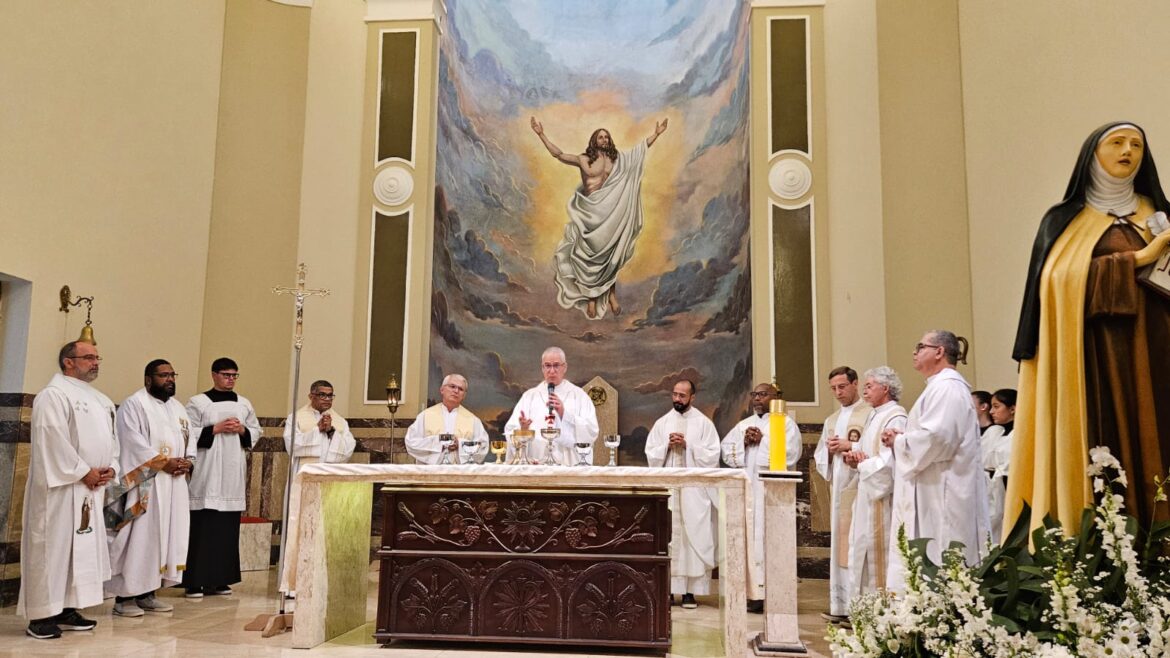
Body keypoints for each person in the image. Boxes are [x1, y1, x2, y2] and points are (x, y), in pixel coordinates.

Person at [1008, 122, 1170, 534]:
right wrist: (1137, 258)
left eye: (1136, 144)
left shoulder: (1158, 214)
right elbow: (1057, 282)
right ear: (1092, 155)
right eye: (1116, 143)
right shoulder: (1066, 220)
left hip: (1156, 350)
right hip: (1094, 358)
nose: (1128, 150)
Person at [18, 341, 118, 639]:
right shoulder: (54, 395)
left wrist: (111, 466)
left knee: (80, 551)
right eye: (88, 357)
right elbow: (52, 439)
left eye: (96, 357)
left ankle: (67, 607)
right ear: (68, 362)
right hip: (60, 490)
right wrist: (82, 471)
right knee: (53, 549)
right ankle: (40, 615)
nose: (95, 362)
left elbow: (111, 439)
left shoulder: (100, 399)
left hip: (90, 489)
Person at [530, 116, 668, 319]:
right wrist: (541, 134)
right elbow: (558, 154)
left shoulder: (618, 160)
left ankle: (611, 296)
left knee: (611, 255)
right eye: (600, 137)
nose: (604, 140)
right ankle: (592, 300)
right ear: (594, 140)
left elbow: (639, 151)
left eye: (606, 137)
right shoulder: (583, 159)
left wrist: (656, 134)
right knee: (589, 256)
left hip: (611, 213)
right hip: (590, 213)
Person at [883, 331, 989, 593]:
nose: (914, 352)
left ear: (940, 351)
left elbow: (939, 439)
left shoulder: (948, 388)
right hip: (932, 486)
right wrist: (904, 438)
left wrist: (899, 441)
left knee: (940, 555)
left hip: (943, 492)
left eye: (920, 347)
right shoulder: (939, 387)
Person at [105, 359, 192, 617]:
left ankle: (148, 592)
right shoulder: (134, 404)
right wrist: (162, 463)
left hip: (174, 485)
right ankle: (125, 596)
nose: (170, 380)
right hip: (146, 484)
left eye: (172, 375)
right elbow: (131, 442)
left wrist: (187, 462)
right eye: (164, 375)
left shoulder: (178, 408)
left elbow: (190, 439)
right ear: (148, 379)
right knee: (140, 538)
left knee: (164, 537)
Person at [720, 382, 801, 613]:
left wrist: (763, 440)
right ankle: (752, 593)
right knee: (749, 540)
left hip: (772, 495)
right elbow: (726, 451)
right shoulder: (744, 425)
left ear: (776, 396)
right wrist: (743, 442)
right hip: (749, 492)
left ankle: (773, 593)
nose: (757, 399)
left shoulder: (786, 424)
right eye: (754, 394)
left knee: (770, 539)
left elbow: (792, 452)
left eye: (763, 394)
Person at [183, 357, 260, 599]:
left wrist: (242, 430)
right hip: (207, 471)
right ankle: (194, 582)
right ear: (214, 375)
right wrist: (214, 429)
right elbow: (185, 432)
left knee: (225, 530)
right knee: (202, 527)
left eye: (234, 375)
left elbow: (256, 431)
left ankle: (219, 580)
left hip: (231, 473)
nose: (230, 379)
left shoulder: (244, 403)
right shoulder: (198, 402)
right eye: (226, 375)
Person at [645, 380, 721, 609]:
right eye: (675, 394)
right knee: (669, 538)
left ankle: (690, 592)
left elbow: (713, 455)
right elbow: (651, 453)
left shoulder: (704, 424)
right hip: (670, 487)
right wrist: (666, 447)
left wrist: (688, 445)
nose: (677, 399)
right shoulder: (663, 423)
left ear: (692, 397)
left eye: (682, 395)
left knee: (691, 537)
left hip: (693, 491)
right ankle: (668, 590)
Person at [279, 379, 356, 593]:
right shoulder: (296, 418)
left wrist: (331, 432)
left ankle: (324, 581)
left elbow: (348, 449)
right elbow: (291, 446)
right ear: (311, 396)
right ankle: (295, 584)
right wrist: (317, 430)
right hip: (304, 481)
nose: (327, 399)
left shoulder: (339, 421)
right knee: (301, 528)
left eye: (330, 395)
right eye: (322, 395)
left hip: (329, 483)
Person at [842, 367, 907, 599]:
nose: (864, 390)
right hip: (867, 493)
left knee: (878, 554)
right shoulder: (875, 414)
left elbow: (890, 463)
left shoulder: (896, 416)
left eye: (869, 386)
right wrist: (853, 456)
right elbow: (867, 449)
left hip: (882, 499)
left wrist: (861, 463)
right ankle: (862, 609)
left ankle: (880, 612)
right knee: (860, 548)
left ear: (885, 388)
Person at [812, 366, 870, 622]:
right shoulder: (832, 419)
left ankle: (860, 608)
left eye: (842, 387)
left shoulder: (871, 414)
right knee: (842, 547)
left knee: (858, 547)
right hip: (840, 491)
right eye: (833, 388)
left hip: (864, 489)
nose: (838, 392)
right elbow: (819, 455)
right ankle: (841, 606)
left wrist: (851, 445)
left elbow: (877, 446)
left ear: (855, 383)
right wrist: (829, 450)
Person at [504, 347, 599, 465]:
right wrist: (523, 430)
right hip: (537, 465)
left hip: (569, 467)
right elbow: (510, 431)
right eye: (548, 366)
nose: (552, 371)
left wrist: (564, 414)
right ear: (542, 368)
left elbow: (591, 430)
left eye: (556, 365)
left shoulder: (579, 396)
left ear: (564, 367)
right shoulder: (529, 397)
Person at [404, 374, 489, 464]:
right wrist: (439, 443)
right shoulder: (425, 416)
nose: (456, 391)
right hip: (431, 473)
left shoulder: (473, 420)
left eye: (461, 389)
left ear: (464, 395)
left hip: (460, 474)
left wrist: (460, 445)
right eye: (452, 386)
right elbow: (411, 442)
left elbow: (483, 447)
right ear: (442, 390)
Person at [982, 388, 1016, 544]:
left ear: (1013, 409)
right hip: (992, 487)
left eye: (996, 406)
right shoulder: (996, 432)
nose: (991, 412)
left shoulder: (1018, 433)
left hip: (1009, 488)